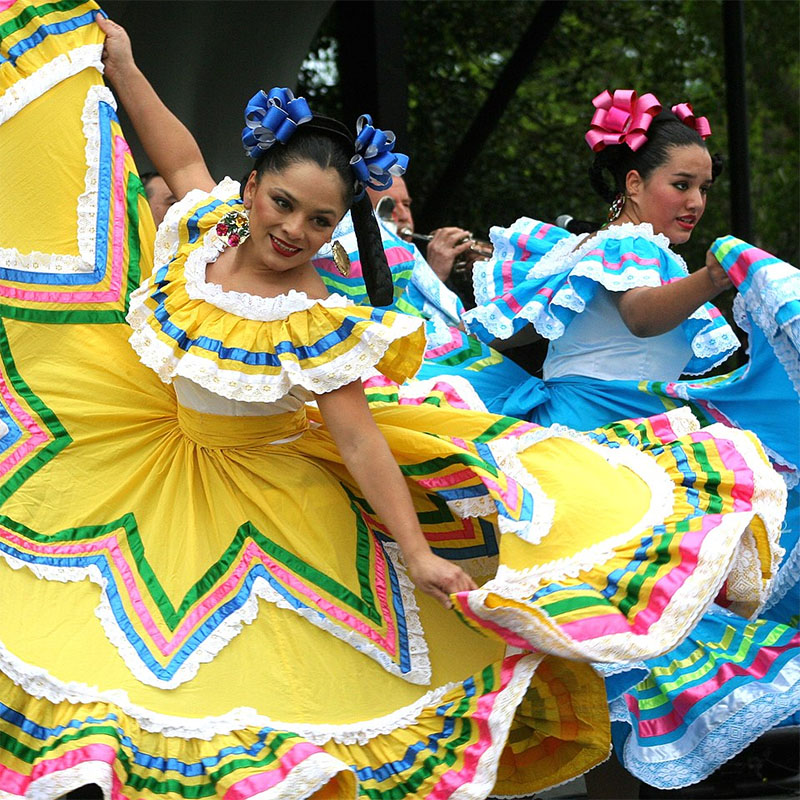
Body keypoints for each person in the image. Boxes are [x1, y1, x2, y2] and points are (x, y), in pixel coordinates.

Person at [0, 8, 788, 796]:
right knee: (86, 635)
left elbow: (361, 440)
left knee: (261, 682)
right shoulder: (208, 233)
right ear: (251, 189)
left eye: (320, 221)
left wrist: (416, 552)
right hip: (148, 459)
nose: (293, 230)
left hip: (268, 498)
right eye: (281, 205)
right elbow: (173, 152)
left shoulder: (312, 318)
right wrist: (126, 70)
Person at [460, 89, 800, 792]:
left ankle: (639, 769)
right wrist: (717, 273)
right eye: (681, 184)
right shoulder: (623, 245)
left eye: (704, 187)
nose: (696, 201)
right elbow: (642, 319)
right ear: (633, 183)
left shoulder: (648, 252)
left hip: (634, 443)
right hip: (594, 445)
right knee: (631, 614)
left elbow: (679, 357)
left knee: (639, 614)